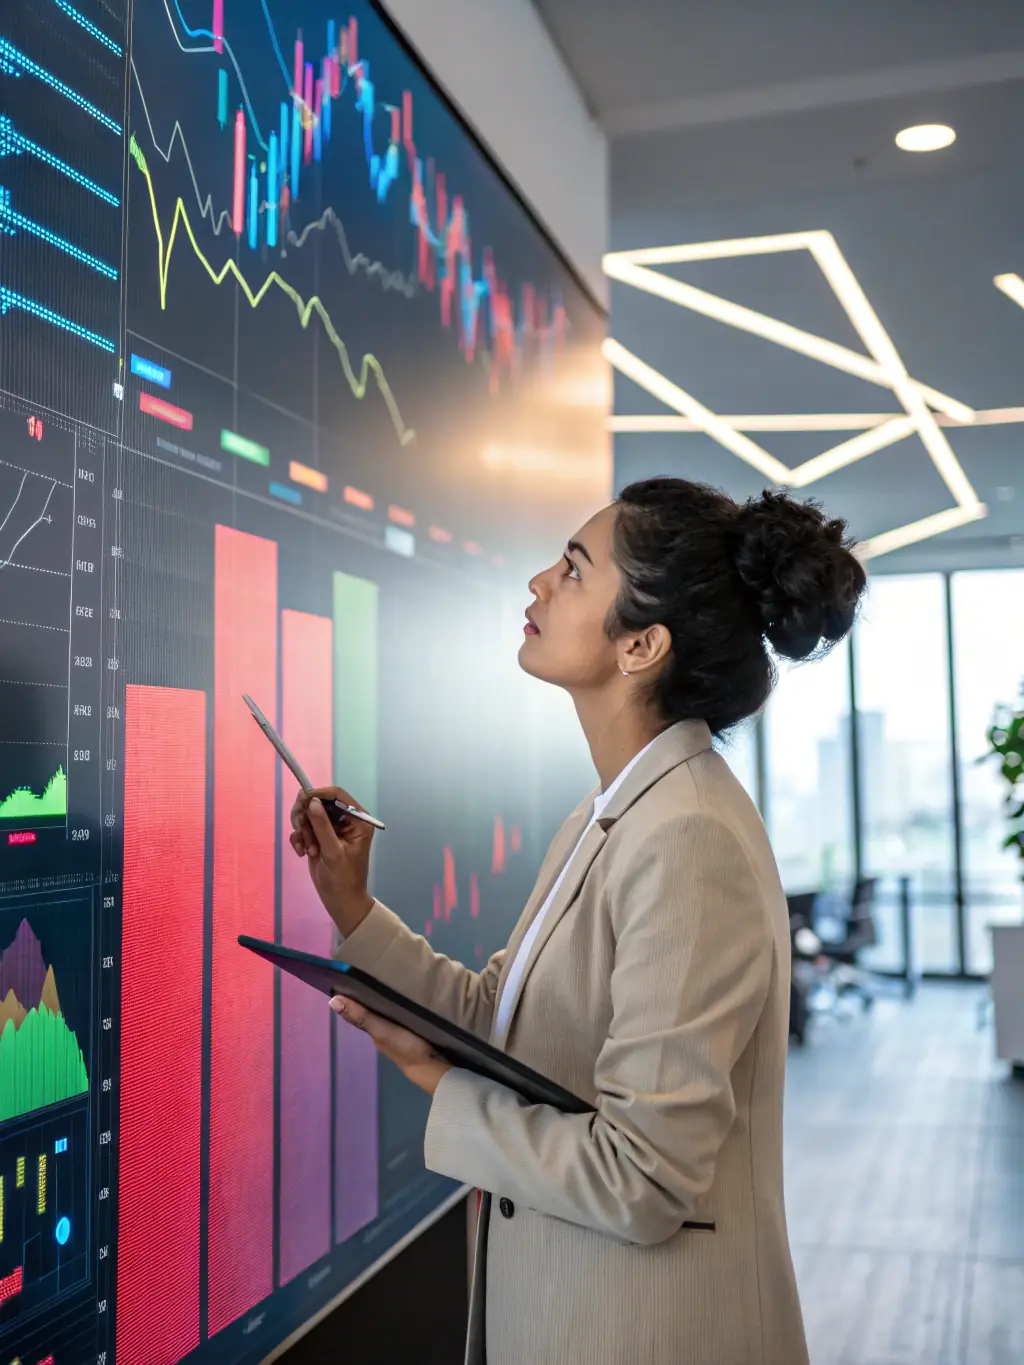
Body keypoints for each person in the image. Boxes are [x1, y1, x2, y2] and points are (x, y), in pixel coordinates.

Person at [289, 476, 867, 1365]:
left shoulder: (688, 838)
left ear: (641, 644)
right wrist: (353, 908)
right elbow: (504, 1020)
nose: (537, 585)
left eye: (571, 568)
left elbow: (642, 1177)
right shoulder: (615, 814)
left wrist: (443, 1088)